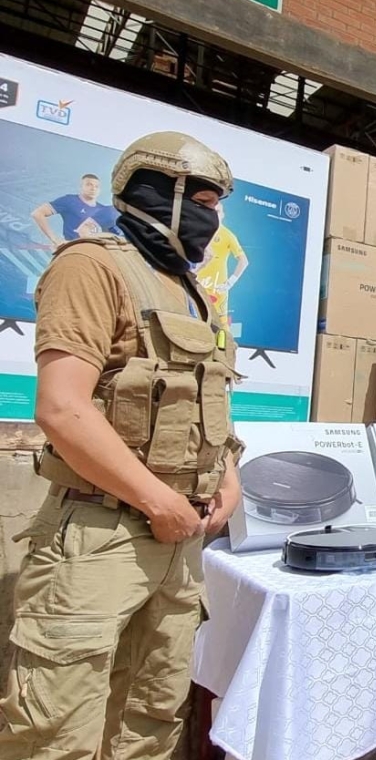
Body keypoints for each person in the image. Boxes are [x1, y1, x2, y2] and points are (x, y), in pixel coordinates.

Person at [0, 132, 246, 760]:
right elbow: (63, 408)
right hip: (98, 535)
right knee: (56, 731)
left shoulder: (192, 291)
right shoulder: (91, 266)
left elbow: (207, 401)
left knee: (151, 719)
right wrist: (159, 502)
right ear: (156, 193)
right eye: (203, 201)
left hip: (181, 540)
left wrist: (228, 476)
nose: (213, 217)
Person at [194, 201, 249, 330]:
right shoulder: (200, 231)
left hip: (216, 289)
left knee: (220, 327)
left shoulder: (228, 235)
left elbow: (244, 261)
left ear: (223, 214)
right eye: (212, 211)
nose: (215, 215)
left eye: (218, 212)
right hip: (197, 285)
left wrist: (230, 282)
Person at [31, 173, 120, 246]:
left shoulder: (104, 210)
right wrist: (55, 239)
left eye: (97, 186)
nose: (93, 188)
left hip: (94, 252)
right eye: (89, 184)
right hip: (73, 250)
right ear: (81, 186)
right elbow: (38, 213)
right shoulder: (69, 201)